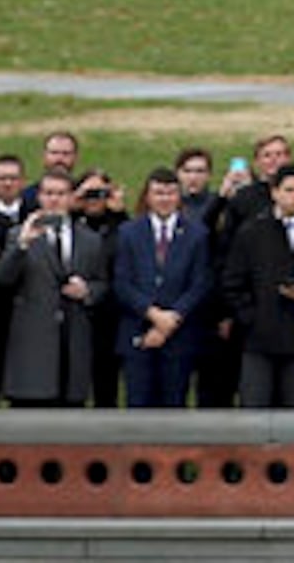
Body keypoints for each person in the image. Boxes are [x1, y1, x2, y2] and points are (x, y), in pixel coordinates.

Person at [222, 167, 294, 408]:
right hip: (258, 341)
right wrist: (251, 318)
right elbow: (233, 282)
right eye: (290, 190)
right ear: (274, 193)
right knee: (256, 409)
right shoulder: (252, 231)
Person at [0, 175, 109, 407]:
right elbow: (3, 278)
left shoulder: (90, 240)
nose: (54, 200)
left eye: (60, 194)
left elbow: (103, 284)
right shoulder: (19, 235)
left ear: (70, 198)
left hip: (72, 345)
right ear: (39, 197)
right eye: (48, 194)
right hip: (33, 348)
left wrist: (87, 291)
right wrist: (22, 245)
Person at [113, 169, 213, 410]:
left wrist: (171, 319)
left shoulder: (197, 234)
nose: (164, 199)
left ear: (178, 196)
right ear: (148, 196)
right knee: (138, 406)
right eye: (158, 193)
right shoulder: (129, 232)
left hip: (180, 336)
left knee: (174, 406)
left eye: (170, 193)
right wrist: (153, 315)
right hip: (138, 333)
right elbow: (122, 283)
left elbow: (200, 283)